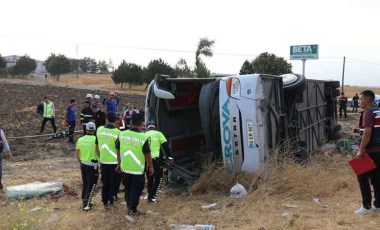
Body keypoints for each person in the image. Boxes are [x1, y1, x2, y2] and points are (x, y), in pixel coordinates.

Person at [116, 113, 154, 221]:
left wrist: (119, 164)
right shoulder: (143, 137)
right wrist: (151, 167)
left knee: (127, 188)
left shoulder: (122, 134)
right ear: (142, 123)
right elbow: (147, 154)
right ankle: (132, 210)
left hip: (125, 167)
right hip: (137, 170)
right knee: (136, 190)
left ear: (130, 122)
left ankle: (130, 207)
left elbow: (118, 151)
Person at [354, 90, 380, 215]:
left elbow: (367, 132)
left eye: (360, 99)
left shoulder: (368, 113)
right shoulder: (378, 111)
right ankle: (378, 205)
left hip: (370, 151)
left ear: (368, 100)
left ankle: (366, 207)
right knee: (376, 178)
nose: (359, 102)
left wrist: (360, 150)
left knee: (362, 177)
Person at [96, 112, 122, 209]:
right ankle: (111, 200)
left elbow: (96, 145)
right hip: (114, 162)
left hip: (103, 161)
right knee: (114, 182)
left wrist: (100, 157)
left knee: (105, 182)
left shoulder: (99, 129)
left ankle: (105, 201)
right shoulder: (118, 132)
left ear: (106, 119)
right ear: (115, 120)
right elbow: (120, 149)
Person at [145, 124, 173, 203]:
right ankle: (152, 197)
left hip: (146, 160)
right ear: (155, 129)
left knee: (150, 178)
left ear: (147, 129)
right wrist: (170, 156)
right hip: (155, 159)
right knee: (159, 178)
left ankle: (149, 195)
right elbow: (165, 145)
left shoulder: (144, 135)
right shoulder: (158, 133)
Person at [75, 122, 98, 211]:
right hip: (92, 165)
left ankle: (84, 200)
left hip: (83, 164)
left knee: (85, 183)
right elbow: (98, 151)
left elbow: (77, 153)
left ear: (86, 129)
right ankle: (87, 205)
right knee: (92, 185)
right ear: (94, 129)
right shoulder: (96, 139)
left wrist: (80, 162)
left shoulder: (80, 139)